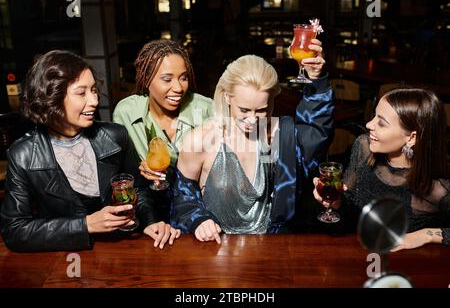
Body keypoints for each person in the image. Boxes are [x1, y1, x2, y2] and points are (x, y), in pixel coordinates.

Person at [0, 50, 180, 252]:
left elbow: (138, 190)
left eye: (94, 90)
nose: (94, 100)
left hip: (124, 251)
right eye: (81, 92)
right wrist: (85, 225)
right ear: (51, 97)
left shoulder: (115, 136)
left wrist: (150, 221)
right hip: (66, 260)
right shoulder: (23, 155)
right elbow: (14, 231)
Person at [171, 39, 334, 243]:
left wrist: (316, 81)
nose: (252, 120)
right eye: (244, 110)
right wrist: (197, 220)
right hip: (218, 252)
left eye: (261, 110)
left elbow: (315, 136)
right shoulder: (201, 139)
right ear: (228, 97)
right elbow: (181, 198)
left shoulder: (278, 134)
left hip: (271, 250)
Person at [313, 88, 450, 250]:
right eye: (374, 116)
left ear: (412, 138)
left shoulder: (438, 187)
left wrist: (425, 235)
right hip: (356, 253)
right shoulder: (364, 147)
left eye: (382, 123)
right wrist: (337, 203)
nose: (368, 124)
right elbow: (349, 209)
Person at [113, 39, 213, 220]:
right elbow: (119, 172)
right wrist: (139, 170)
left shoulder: (206, 110)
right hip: (150, 212)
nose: (178, 88)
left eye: (183, 77)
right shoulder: (126, 113)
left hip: (199, 210)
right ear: (147, 78)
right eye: (167, 79)